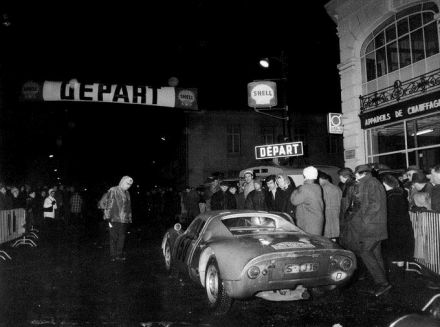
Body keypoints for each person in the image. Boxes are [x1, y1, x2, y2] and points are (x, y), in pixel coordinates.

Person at [345, 164, 391, 297]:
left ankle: (383, 283)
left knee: (365, 252)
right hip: (375, 226)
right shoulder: (370, 182)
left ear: (362, 173)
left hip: (372, 227)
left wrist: (364, 218)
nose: (355, 176)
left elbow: (375, 204)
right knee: (376, 255)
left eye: (356, 174)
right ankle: (382, 284)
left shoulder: (371, 183)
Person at [381, 174, 415, 273]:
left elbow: (390, 213)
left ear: (385, 184)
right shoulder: (401, 194)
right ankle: (400, 271)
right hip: (403, 225)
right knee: (401, 250)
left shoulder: (390, 196)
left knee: (394, 249)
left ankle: (396, 273)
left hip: (394, 226)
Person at [102, 176, 134, 262]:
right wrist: (107, 218)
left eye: (130, 185)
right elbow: (108, 204)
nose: (128, 186)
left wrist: (129, 218)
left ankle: (119, 254)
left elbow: (128, 207)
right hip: (114, 219)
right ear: (122, 182)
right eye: (127, 184)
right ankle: (113, 255)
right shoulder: (113, 190)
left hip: (124, 220)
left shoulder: (127, 193)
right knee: (113, 238)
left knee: (122, 238)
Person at [290, 166, 324, 235]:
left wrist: (296, 190)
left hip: (309, 224)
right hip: (316, 222)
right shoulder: (317, 187)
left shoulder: (305, 188)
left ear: (304, 175)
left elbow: (294, 201)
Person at [319, 171, 342, 241]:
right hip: (337, 214)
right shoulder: (337, 188)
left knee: (328, 236)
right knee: (335, 234)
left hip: (327, 215)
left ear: (320, 179)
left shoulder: (322, 189)